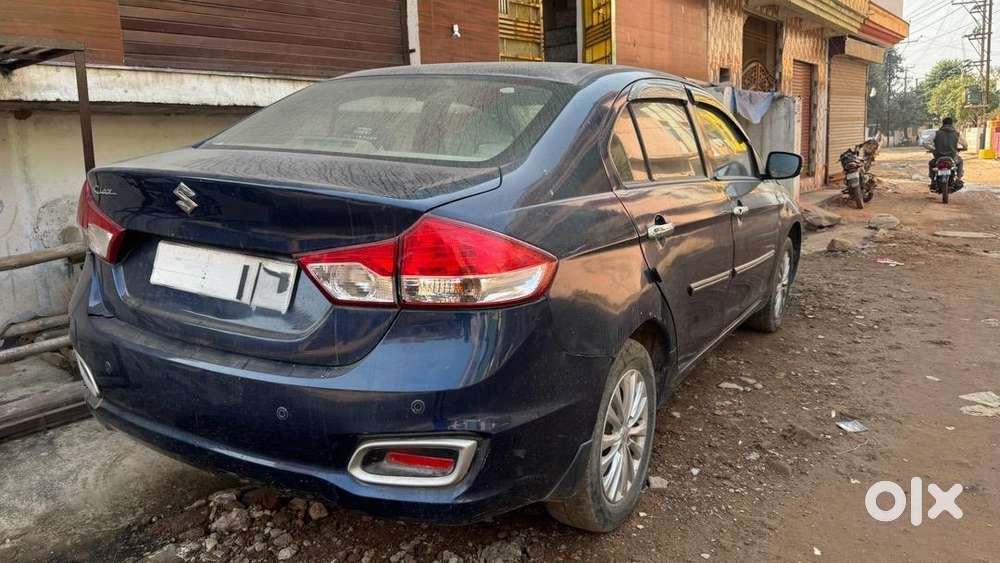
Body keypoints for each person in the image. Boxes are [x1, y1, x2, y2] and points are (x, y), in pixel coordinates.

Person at [924, 117, 967, 188]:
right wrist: (964, 148)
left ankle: (932, 181)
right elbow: (965, 144)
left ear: (942, 124)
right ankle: (958, 179)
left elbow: (925, 142)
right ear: (952, 124)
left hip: (938, 157)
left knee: (931, 164)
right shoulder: (957, 134)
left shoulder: (936, 133)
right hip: (952, 157)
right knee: (960, 161)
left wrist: (933, 149)